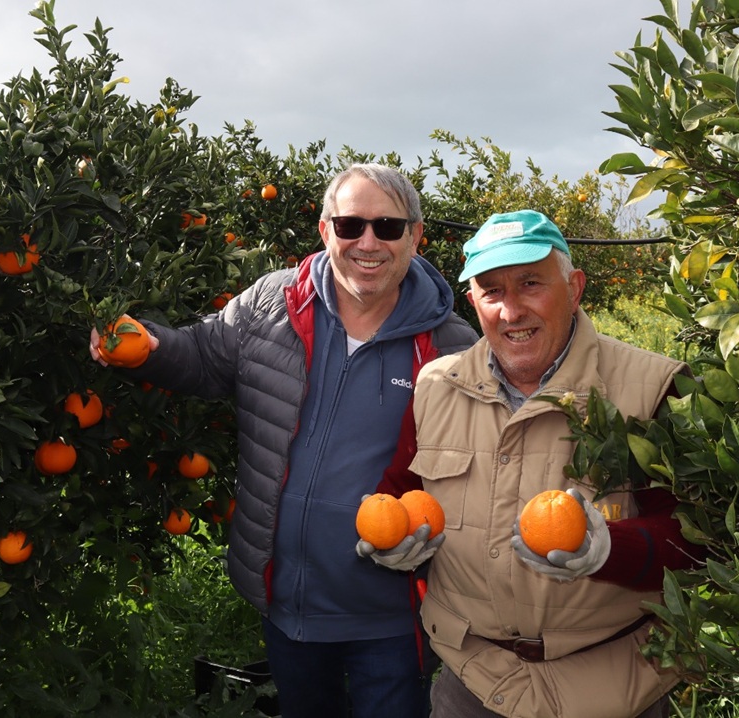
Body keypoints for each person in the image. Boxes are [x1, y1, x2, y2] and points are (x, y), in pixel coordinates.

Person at [89, 163, 478, 718]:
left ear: (416, 236)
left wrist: (429, 533)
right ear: (325, 231)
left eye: (388, 228)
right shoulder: (274, 302)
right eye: (350, 226)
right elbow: (204, 356)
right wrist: (149, 346)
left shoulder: (450, 345)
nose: (368, 242)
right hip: (285, 599)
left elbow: (472, 471)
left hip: (390, 613)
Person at [398, 210, 700, 718]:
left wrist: (610, 550)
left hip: (613, 686)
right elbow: (405, 488)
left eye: (530, 283)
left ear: (574, 287)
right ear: (472, 302)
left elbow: (695, 537)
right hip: (471, 680)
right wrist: (396, 539)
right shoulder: (436, 386)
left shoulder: (654, 387)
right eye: (491, 291)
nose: (511, 310)